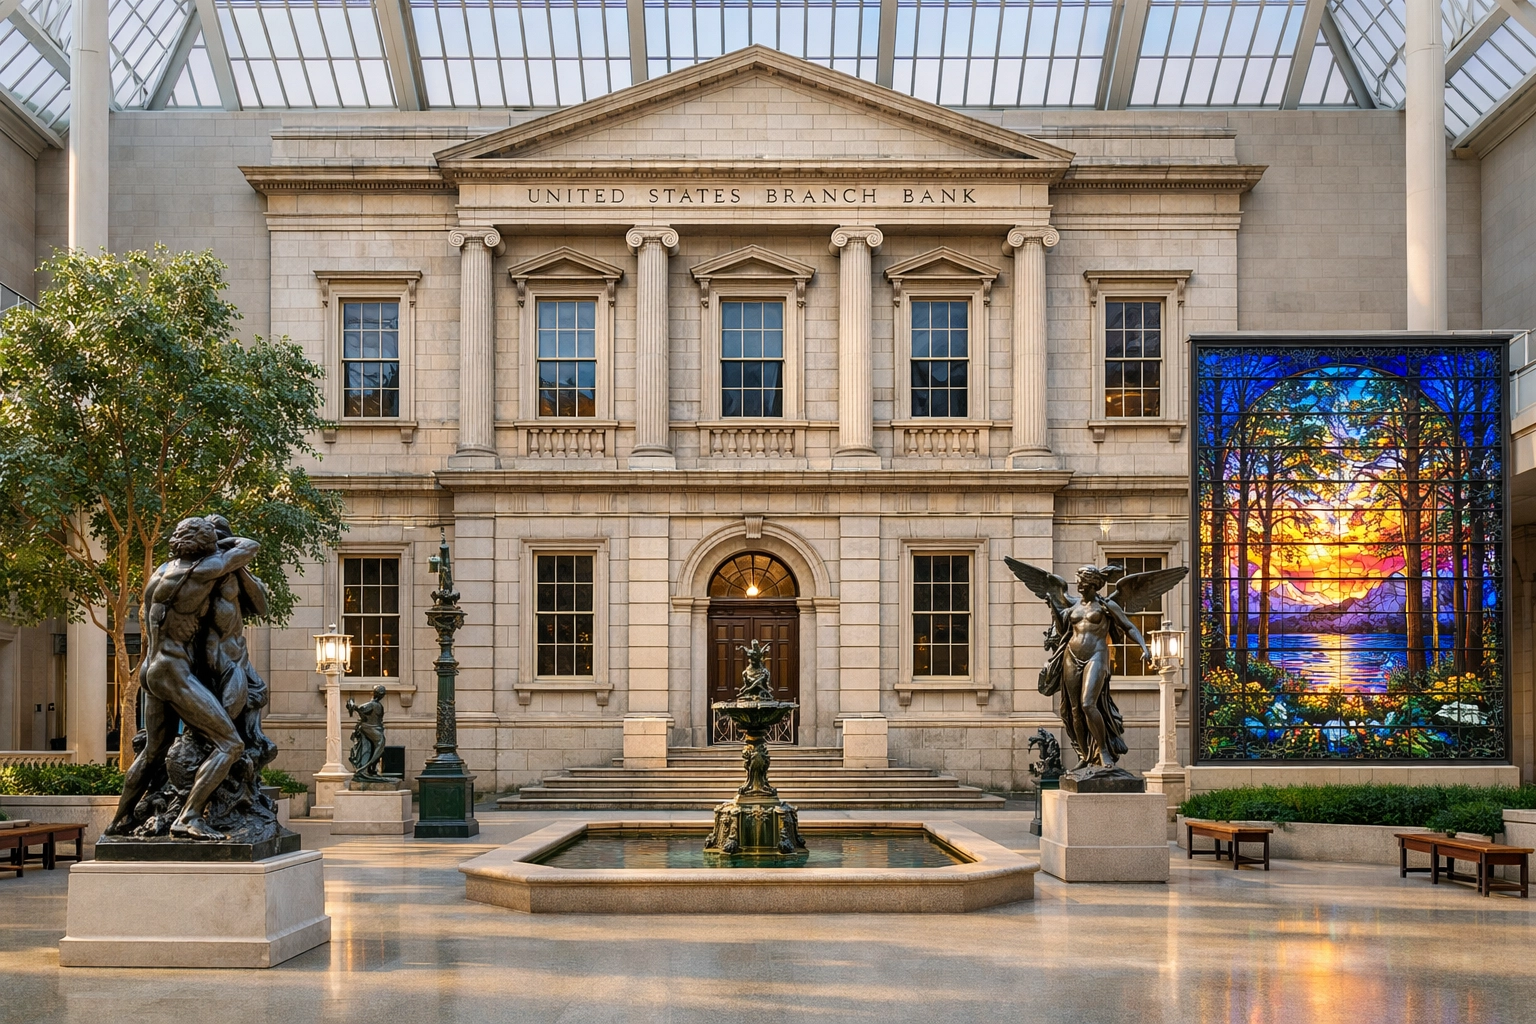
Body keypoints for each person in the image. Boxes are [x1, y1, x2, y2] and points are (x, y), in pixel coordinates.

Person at [107, 517, 260, 840]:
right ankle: (188, 816)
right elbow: (250, 547)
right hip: (173, 670)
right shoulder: (203, 570)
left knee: (153, 751)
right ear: (206, 546)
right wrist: (220, 546)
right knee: (230, 744)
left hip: (150, 668)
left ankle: (119, 821)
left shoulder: (160, 571)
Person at [345, 684, 391, 783]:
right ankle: (364, 769)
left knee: (376, 748)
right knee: (378, 746)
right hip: (370, 729)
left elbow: (359, 709)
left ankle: (370, 769)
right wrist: (352, 706)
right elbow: (359, 709)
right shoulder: (373, 704)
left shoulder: (375, 704)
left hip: (374, 728)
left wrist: (353, 706)